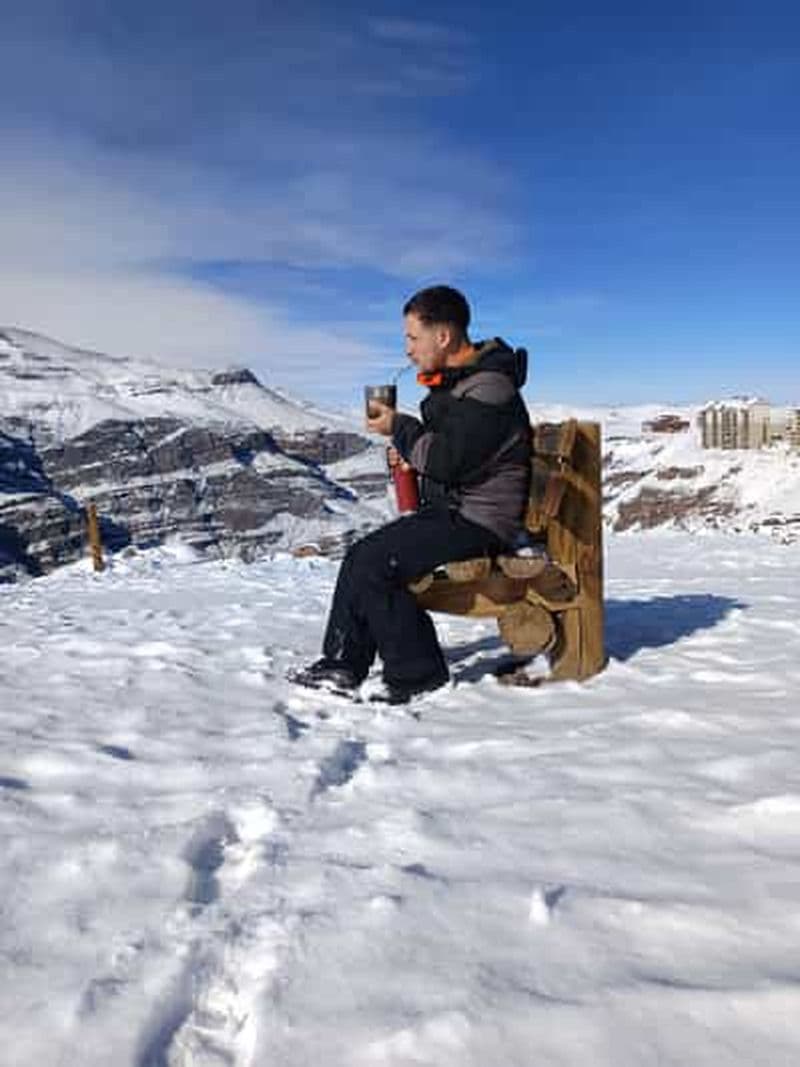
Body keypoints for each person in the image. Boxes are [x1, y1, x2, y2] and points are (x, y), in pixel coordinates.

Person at [291, 285, 532, 703]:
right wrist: (410, 451)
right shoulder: (465, 385)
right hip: (459, 510)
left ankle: (417, 673)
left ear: (443, 336)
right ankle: (343, 664)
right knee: (362, 555)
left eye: (412, 337)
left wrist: (400, 429)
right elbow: (453, 453)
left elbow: (445, 460)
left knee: (374, 562)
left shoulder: (489, 388)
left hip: (481, 520)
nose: (408, 350)